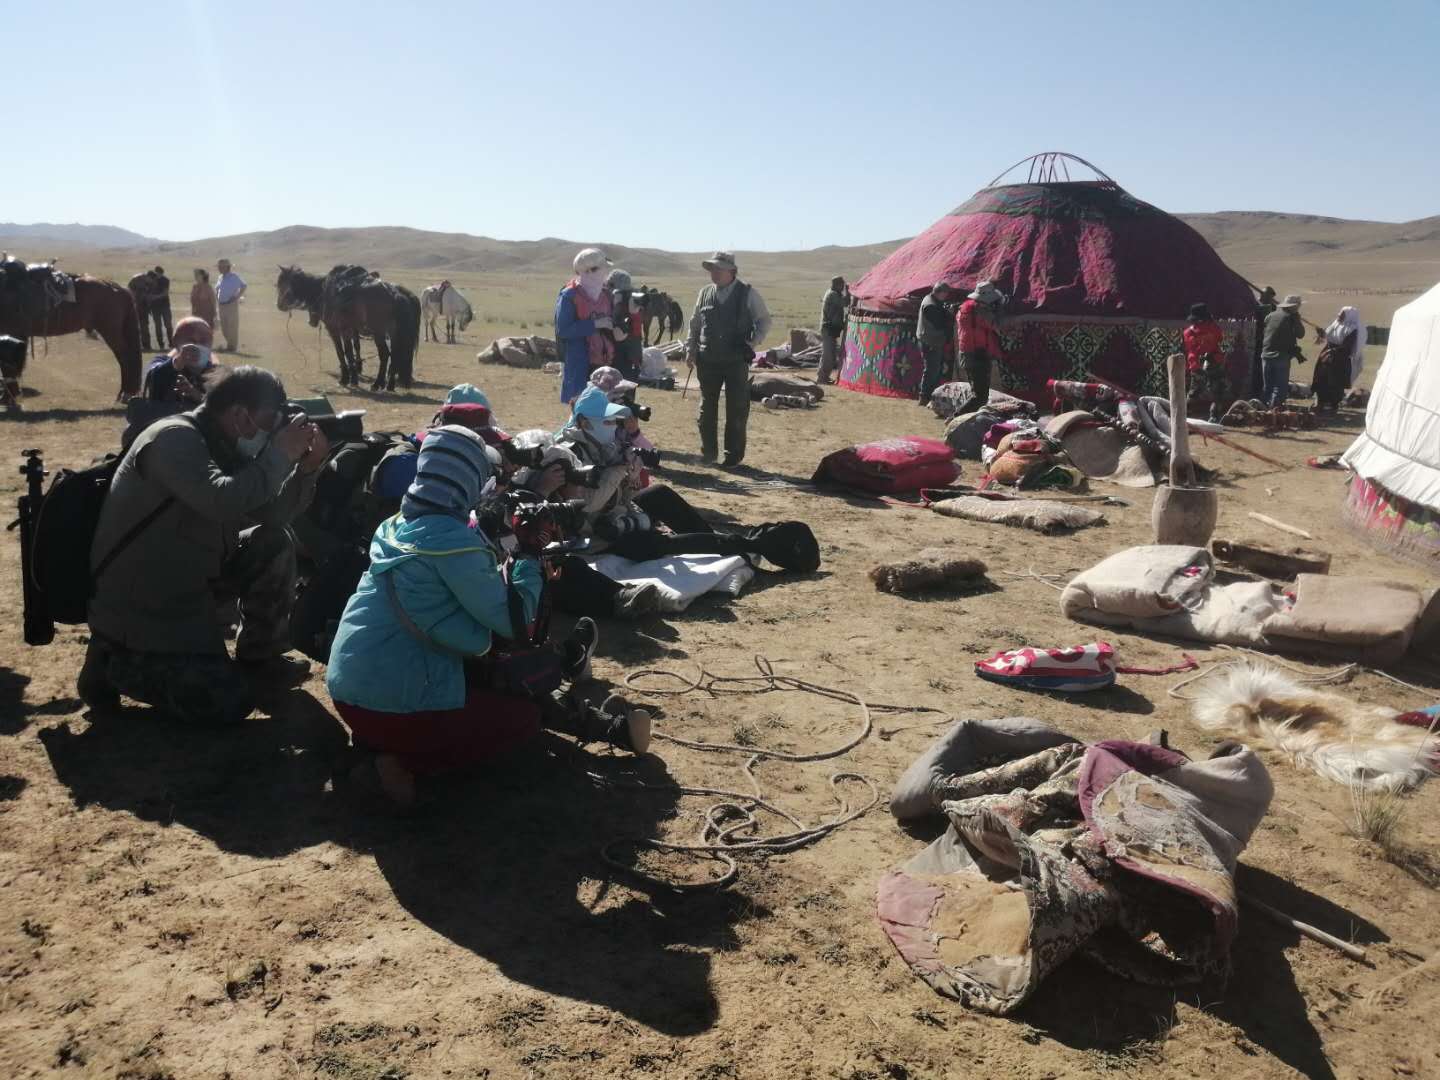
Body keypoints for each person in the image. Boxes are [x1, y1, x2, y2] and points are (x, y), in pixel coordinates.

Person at [325, 425, 651, 807]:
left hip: (353, 689)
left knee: (498, 671)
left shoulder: (401, 524)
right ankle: (399, 764)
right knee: (521, 719)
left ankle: (600, 721)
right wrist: (528, 554)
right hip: (392, 703)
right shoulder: (451, 543)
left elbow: (459, 595)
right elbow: (517, 621)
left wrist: (489, 534)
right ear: (467, 477)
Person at [78, 366, 329, 725]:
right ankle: (111, 663)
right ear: (239, 414)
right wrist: (278, 455)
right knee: (227, 701)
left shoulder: (222, 442)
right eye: (267, 421)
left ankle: (261, 656)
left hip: (189, 582)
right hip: (143, 608)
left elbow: (270, 515)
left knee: (271, 542)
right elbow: (221, 501)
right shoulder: (173, 439)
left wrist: (307, 469)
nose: (270, 433)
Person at [685, 251, 771, 468]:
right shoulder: (704, 293)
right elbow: (695, 324)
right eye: (712, 269)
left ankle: (732, 457)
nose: (713, 273)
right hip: (707, 359)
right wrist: (690, 349)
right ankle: (708, 454)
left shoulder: (747, 293)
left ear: (731, 271)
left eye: (718, 269)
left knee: (737, 408)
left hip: (736, 360)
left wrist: (752, 343)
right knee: (706, 408)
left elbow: (764, 320)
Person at [554, 248, 615, 404]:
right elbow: (563, 330)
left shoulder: (606, 295)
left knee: (602, 405)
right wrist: (595, 324)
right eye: (603, 268)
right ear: (589, 271)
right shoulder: (569, 296)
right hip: (579, 361)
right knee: (580, 406)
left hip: (603, 361)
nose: (606, 272)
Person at [953, 281, 1005, 416]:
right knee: (980, 397)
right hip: (978, 355)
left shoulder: (965, 307)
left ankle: (967, 419)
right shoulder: (981, 311)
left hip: (967, 353)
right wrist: (1000, 307)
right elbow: (997, 326)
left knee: (978, 394)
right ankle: (956, 418)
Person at [1181, 302, 1229, 422]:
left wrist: (1194, 366)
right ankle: (1213, 416)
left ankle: (1184, 416)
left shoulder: (1188, 332)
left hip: (1202, 362)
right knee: (1214, 391)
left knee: (1197, 392)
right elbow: (1219, 339)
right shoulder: (1214, 328)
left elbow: (1191, 350)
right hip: (1211, 361)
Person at [1312, 305, 1363, 413]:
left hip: (1340, 359)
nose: (1338, 315)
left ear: (1349, 316)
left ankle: (1333, 406)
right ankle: (1320, 402)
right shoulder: (1336, 324)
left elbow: (1347, 347)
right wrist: (1322, 333)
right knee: (1321, 379)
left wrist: (1331, 351)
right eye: (1339, 313)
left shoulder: (1352, 329)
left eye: (1342, 314)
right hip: (1327, 355)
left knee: (1335, 383)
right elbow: (1328, 336)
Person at [1260, 294, 1306, 408]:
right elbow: (1300, 334)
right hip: (1281, 356)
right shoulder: (1291, 317)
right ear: (1294, 306)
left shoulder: (1270, 315)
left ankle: (1263, 409)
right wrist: (1297, 319)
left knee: (1267, 387)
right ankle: (1275, 411)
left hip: (1265, 355)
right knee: (1279, 387)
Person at [916, 281, 956, 406]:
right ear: (940, 292)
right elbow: (939, 324)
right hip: (931, 342)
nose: (946, 296)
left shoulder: (932, 300)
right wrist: (950, 313)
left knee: (935, 370)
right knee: (931, 370)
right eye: (946, 293)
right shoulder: (930, 305)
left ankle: (930, 396)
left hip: (932, 340)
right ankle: (924, 397)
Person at [604, 269, 644, 382]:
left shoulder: (621, 306)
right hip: (633, 356)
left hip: (621, 357)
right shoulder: (633, 303)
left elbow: (618, 335)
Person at [817, 276, 847, 385]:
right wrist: (849, 293)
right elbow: (845, 303)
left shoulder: (833, 293)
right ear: (837, 285)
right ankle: (822, 378)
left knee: (831, 355)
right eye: (842, 285)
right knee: (828, 355)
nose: (843, 287)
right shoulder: (833, 295)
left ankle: (824, 377)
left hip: (831, 329)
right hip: (828, 329)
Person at [215, 258, 246, 353]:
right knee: (224, 327)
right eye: (219, 267)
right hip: (221, 305)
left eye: (221, 267)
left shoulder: (234, 277)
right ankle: (230, 345)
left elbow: (244, 286)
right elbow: (217, 288)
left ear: (227, 267)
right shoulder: (220, 277)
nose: (219, 269)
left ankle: (232, 347)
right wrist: (217, 297)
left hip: (231, 304)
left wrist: (237, 297)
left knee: (232, 326)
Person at [1252, 286, 1277, 399]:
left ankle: (1262, 392)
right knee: (1256, 367)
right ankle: (1256, 391)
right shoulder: (1254, 305)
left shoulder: (1273, 308)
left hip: (1266, 343)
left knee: (1264, 369)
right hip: (1255, 341)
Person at [149, 266, 173, 350]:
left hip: (164, 305)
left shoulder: (165, 280)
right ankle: (161, 344)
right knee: (158, 326)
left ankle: (171, 343)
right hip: (155, 307)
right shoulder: (151, 280)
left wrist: (154, 297)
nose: (158, 275)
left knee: (168, 325)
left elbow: (165, 293)